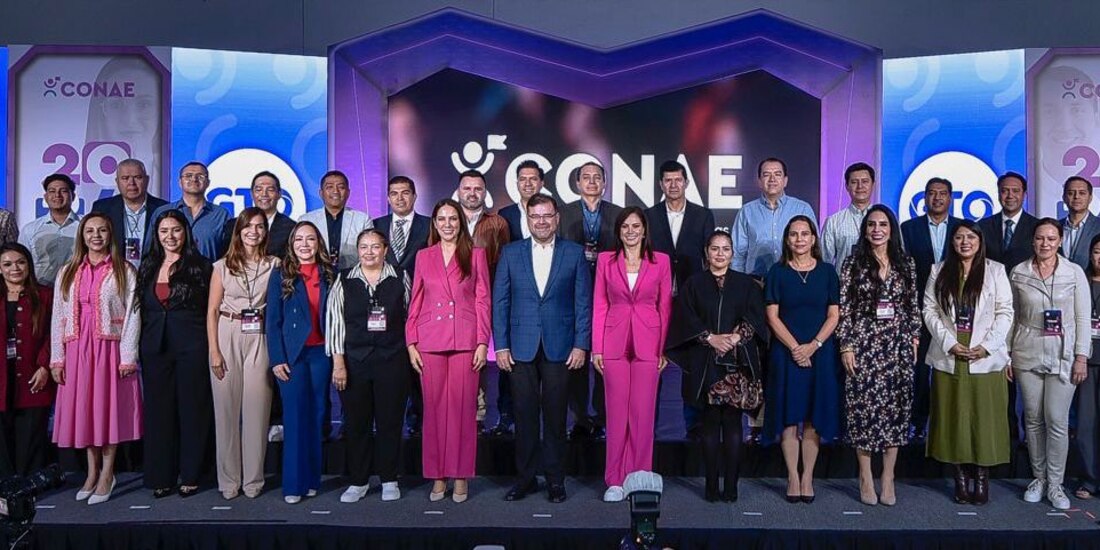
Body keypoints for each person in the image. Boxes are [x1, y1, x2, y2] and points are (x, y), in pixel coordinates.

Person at [494, 194, 592, 503]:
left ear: (557, 218)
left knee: (555, 417)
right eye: (535, 216)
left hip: (560, 347)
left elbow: (582, 303)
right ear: (527, 218)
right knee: (523, 416)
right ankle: (524, 479)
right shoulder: (510, 253)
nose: (541, 221)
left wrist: (580, 344)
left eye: (547, 216)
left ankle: (555, 480)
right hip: (519, 348)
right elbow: (501, 303)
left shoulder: (575, 253)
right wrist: (501, 345)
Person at [666, 230, 767, 501]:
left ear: (733, 253)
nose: (720, 254)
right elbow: (684, 318)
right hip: (705, 362)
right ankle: (711, 486)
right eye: (715, 249)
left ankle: (731, 487)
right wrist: (710, 338)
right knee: (710, 424)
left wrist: (734, 338)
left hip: (736, 363)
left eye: (725, 249)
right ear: (706, 253)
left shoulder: (746, 284)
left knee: (733, 425)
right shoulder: (694, 284)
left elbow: (756, 318)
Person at [49, 213, 141, 505]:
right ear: (82, 236)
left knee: (107, 410)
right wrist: (57, 359)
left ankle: (108, 473)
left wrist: (128, 356)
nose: (96, 235)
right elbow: (58, 316)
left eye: (102, 230)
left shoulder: (124, 270)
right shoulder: (67, 271)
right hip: (77, 348)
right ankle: (91, 472)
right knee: (86, 412)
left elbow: (132, 316)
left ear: (110, 235)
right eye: (90, 230)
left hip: (108, 346)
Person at [407, 199, 491, 503]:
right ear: (434, 223)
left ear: (461, 222)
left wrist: (483, 341)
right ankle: (437, 476)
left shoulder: (476, 255)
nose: (447, 224)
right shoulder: (423, 257)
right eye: (441, 219)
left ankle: (460, 476)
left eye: (452, 219)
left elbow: (483, 300)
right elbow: (415, 299)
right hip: (429, 339)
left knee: (462, 411)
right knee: (433, 412)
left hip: (465, 339)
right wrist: (410, 341)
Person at [923, 221, 1013, 505]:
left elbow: (1005, 312)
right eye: (959, 237)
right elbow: (929, 310)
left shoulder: (996, 270)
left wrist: (985, 347)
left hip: (984, 356)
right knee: (953, 419)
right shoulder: (938, 270)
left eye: (970, 237)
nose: (965, 242)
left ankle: (982, 477)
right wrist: (950, 343)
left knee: (984, 420)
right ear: (952, 242)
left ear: (979, 240)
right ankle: (960, 479)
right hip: (950, 354)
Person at [837, 205, 921, 506]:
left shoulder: (905, 263)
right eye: (871, 224)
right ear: (865, 229)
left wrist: (914, 337)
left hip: (897, 346)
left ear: (891, 228)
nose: (877, 230)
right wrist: (845, 345)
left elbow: (913, 305)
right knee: (863, 411)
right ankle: (864, 476)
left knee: (895, 411)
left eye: (883, 224)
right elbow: (844, 308)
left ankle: (887, 476)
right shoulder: (852, 264)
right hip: (863, 346)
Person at [1009, 218, 1091, 511]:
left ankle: (1056, 484)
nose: (1045, 244)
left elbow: (1083, 317)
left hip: (1063, 354)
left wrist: (1082, 356)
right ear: (1033, 241)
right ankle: (1039, 478)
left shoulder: (1074, 272)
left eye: (1051, 239)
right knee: (1032, 419)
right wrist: (1007, 353)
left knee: (1056, 420)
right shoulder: (1019, 272)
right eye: (1040, 238)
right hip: (1027, 351)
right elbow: (1012, 316)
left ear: (1059, 241)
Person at [591, 207, 672, 502]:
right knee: (616, 414)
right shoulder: (605, 261)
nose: (630, 231)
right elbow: (599, 304)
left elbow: (665, 307)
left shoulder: (660, 261)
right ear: (619, 231)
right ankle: (614, 479)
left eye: (636, 226)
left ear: (644, 230)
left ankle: (639, 476)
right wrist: (596, 347)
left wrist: (662, 348)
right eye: (625, 226)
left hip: (648, 344)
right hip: (613, 342)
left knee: (643, 414)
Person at [326, 229, 412, 503]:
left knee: (390, 422)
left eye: (375, 247)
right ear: (357, 250)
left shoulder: (400, 277)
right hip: (355, 362)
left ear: (385, 249)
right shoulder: (344, 280)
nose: (370, 252)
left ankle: (389, 478)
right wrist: (338, 362)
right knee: (357, 424)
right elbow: (335, 322)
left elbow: (411, 316)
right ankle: (358, 481)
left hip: (392, 360)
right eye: (364, 247)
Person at [135, 210, 214, 498]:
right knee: (159, 413)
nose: (170, 237)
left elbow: (210, 311)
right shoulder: (147, 266)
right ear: (156, 236)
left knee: (193, 411)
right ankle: (161, 476)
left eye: (176, 230)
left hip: (192, 346)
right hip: (155, 348)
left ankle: (192, 474)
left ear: (186, 233)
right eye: (164, 231)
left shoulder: (201, 266)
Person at [763, 215, 842, 503]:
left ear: (813, 238)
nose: (799, 239)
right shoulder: (777, 272)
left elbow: (834, 314)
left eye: (805, 234)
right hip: (786, 354)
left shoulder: (827, 273)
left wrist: (814, 345)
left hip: (820, 354)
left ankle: (807, 476)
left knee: (812, 417)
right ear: (787, 239)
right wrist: (797, 348)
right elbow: (772, 316)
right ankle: (792, 478)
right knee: (788, 416)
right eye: (794, 234)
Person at [207, 207, 279, 500]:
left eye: (260, 226)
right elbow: (211, 311)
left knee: (256, 412)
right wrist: (214, 350)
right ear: (239, 231)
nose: (254, 232)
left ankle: (253, 480)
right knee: (225, 412)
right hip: (227, 332)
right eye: (248, 226)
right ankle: (228, 481)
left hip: (259, 336)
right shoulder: (222, 266)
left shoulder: (275, 264)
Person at [645, 160, 716, 440]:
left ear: (686, 183)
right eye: (668, 181)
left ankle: (694, 422)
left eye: (678, 180)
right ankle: (647, 422)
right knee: (653, 362)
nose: (673, 185)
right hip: (654, 300)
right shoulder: (649, 216)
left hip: (692, 300)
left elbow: (710, 258)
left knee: (693, 362)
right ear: (661, 185)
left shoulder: (702, 215)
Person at [266, 221, 334, 504]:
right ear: (292, 245)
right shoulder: (281, 274)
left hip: (322, 355)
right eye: (299, 240)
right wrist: (277, 358)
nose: (305, 245)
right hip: (292, 357)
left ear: (318, 243)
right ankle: (293, 484)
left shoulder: (330, 273)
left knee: (317, 417)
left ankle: (311, 479)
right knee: (294, 420)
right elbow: (272, 321)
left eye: (310, 239)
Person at [560, 162, 621, 440]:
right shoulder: (563, 213)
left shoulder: (618, 214)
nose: (592, 181)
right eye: (586, 177)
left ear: (605, 183)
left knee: (606, 359)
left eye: (598, 177)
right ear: (577, 183)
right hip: (573, 294)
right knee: (578, 358)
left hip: (610, 295)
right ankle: (581, 419)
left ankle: (602, 416)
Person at [900, 177, 963, 439]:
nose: (937, 198)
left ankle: (949, 421)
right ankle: (917, 420)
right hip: (917, 307)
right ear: (924, 198)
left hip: (955, 308)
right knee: (919, 368)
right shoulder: (908, 228)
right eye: (932, 193)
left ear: (951, 198)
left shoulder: (964, 227)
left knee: (952, 364)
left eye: (943, 193)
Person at [977, 171, 1038, 442]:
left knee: (1028, 385)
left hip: (1028, 314)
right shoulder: (983, 226)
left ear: (1024, 194)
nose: (1010, 195)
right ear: (998, 192)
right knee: (999, 382)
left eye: (1015, 190)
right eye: (1004, 190)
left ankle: (1025, 444)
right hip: (990, 314)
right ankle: (1002, 440)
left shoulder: (1037, 228)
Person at [373, 176, 430, 436]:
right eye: (394, 193)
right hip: (384, 310)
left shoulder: (430, 226)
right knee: (387, 371)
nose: (399, 198)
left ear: (415, 196)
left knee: (419, 372)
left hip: (422, 307)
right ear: (387, 198)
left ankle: (419, 423)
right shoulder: (376, 226)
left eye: (405, 193)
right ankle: (388, 424)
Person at [456, 170, 511, 435]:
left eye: (478, 188)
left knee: (483, 358)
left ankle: (481, 416)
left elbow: (504, 265)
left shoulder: (497, 224)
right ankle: (459, 413)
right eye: (467, 188)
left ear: (485, 193)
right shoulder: (446, 219)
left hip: (486, 299)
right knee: (459, 359)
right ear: (458, 192)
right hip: (453, 303)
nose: (472, 193)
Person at [0, 243, 53, 477]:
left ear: (29, 265)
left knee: (31, 433)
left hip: (33, 375)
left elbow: (55, 333)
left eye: (20, 262)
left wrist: (44, 366)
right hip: (3, 376)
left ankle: (28, 484)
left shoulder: (44, 295)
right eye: (7, 264)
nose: (15, 268)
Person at [730, 158, 818, 278]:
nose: (772, 179)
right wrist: (738, 283)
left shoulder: (802, 208)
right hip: (756, 282)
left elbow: (815, 248)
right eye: (766, 175)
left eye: (777, 174)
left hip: (794, 280)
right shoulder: (747, 211)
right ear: (759, 181)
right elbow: (738, 254)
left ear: (785, 180)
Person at [89, 158, 168, 268]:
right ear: (117, 182)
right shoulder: (102, 208)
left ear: (147, 180)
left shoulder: (163, 208)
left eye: (137, 177)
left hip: (154, 274)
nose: (132, 183)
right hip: (113, 275)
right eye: (125, 178)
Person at [148, 161, 230, 261]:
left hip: (210, 275)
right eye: (188, 175)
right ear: (180, 182)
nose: (194, 179)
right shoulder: (162, 212)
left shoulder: (221, 214)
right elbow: (150, 251)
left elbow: (229, 253)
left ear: (208, 183)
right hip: (170, 275)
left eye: (200, 176)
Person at [300, 170, 374, 271]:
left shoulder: (363, 219)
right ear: (321, 193)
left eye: (341, 187)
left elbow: (370, 252)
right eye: (329, 187)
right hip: (316, 276)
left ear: (348, 193)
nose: (335, 191)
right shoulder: (306, 220)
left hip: (352, 276)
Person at [20, 173, 81, 285]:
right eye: (52, 191)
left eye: (63, 191)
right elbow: (21, 262)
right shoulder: (30, 229)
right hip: (40, 292)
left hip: (76, 290)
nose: (57, 195)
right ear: (45, 197)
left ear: (73, 196)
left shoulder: (85, 226)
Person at [1075, 233, 1100, 500]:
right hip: (1087, 361)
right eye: (1096, 251)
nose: (1099, 257)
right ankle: (1089, 479)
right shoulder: (1079, 281)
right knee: (1085, 424)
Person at [223, 171, 296, 257]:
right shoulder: (233, 225)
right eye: (259, 190)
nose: (264, 194)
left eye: (270, 190)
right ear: (252, 194)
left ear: (279, 194)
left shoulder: (291, 228)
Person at [821, 162, 875, 272]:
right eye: (854, 182)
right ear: (847, 186)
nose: (860, 186)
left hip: (879, 285)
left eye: (865, 181)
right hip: (844, 286)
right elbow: (823, 262)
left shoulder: (885, 220)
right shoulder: (833, 221)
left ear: (873, 184)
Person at [499, 159, 547, 242]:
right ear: (517, 184)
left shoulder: (554, 213)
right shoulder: (504, 215)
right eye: (522, 179)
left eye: (533, 179)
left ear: (542, 183)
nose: (528, 183)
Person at [1059, 176, 1100, 271]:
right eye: (1070, 193)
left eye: (1082, 193)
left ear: (1090, 198)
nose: (1076, 197)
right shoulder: (1055, 228)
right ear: (1064, 198)